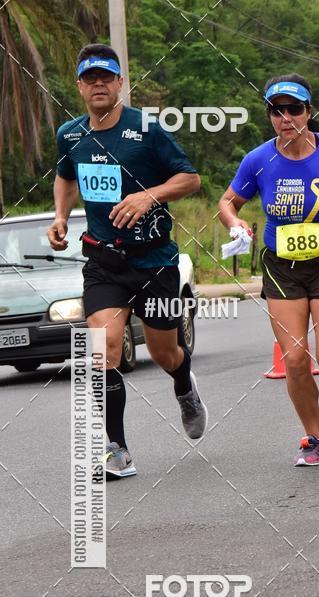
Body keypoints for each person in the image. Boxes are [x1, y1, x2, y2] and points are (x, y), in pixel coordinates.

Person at [48, 44, 205, 479]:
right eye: (90, 78)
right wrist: (61, 216)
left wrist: (148, 194)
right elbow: (65, 177)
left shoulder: (147, 129)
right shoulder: (71, 134)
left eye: (106, 77)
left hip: (154, 261)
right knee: (103, 351)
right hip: (104, 262)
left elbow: (190, 178)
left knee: (166, 351)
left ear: (119, 83)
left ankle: (185, 389)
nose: (98, 84)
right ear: (80, 86)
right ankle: (116, 448)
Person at [217, 73, 319, 466]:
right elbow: (227, 202)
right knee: (293, 359)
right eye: (276, 110)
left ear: (309, 111)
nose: (285, 117)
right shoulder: (258, 160)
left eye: (294, 109)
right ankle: (315, 437)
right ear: (269, 114)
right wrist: (234, 223)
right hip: (281, 266)